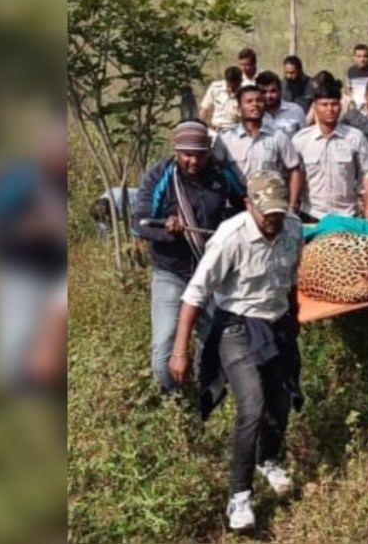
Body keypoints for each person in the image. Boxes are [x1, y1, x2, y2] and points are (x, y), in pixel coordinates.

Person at [168, 170, 304, 532]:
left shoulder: (292, 228)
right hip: (236, 326)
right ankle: (239, 497)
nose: (272, 221)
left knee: (280, 400)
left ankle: (269, 460)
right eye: (265, 215)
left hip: (275, 322)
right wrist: (180, 350)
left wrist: (292, 317)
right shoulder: (231, 237)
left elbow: (291, 279)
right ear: (248, 205)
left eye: (277, 213)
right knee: (253, 404)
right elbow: (194, 295)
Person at [132, 120, 245, 393]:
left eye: (199, 154)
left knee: (215, 343)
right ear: (176, 151)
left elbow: (244, 207)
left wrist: (228, 228)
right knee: (163, 350)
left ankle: (206, 395)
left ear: (208, 151)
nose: (193, 161)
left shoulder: (222, 174)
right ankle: (176, 400)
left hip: (211, 271)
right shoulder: (159, 176)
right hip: (172, 272)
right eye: (187, 154)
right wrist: (167, 229)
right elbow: (139, 222)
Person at [0, 116, 68, 394]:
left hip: (58, 274)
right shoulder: (19, 182)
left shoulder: (65, 185)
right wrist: (25, 230)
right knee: (11, 361)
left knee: (53, 328)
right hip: (20, 272)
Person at [292, 80, 368, 222]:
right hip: (312, 214)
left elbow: (367, 173)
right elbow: (296, 176)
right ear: (315, 107)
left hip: (347, 215)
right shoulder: (301, 140)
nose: (330, 110)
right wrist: (293, 205)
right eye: (324, 105)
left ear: (340, 106)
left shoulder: (355, 137)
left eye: (334, 104)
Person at [212, 85, 304, 213]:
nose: (255, 104)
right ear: (239, 108)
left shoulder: (278, 136)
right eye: (249, 101)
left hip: (270, 206)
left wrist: (292, 205)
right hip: (235, 206)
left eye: (259, 101)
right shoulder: (225, 139)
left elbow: (295, 169)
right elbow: (214, 170)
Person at [256, 70, 307, 138]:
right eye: (264, 92)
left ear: (280, 90)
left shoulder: (296, 111)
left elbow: (304, 138)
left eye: (273, 91)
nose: (269, 96)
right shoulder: (254, 114)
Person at [199, 66, 243, 137]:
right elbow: (205, 109)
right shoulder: (216, 88)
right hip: (214, 131)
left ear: (240, 82)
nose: (231, 89)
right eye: (229, 85)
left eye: (234, 87)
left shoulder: (245, 93)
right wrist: (201, 127)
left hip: (234, 133)